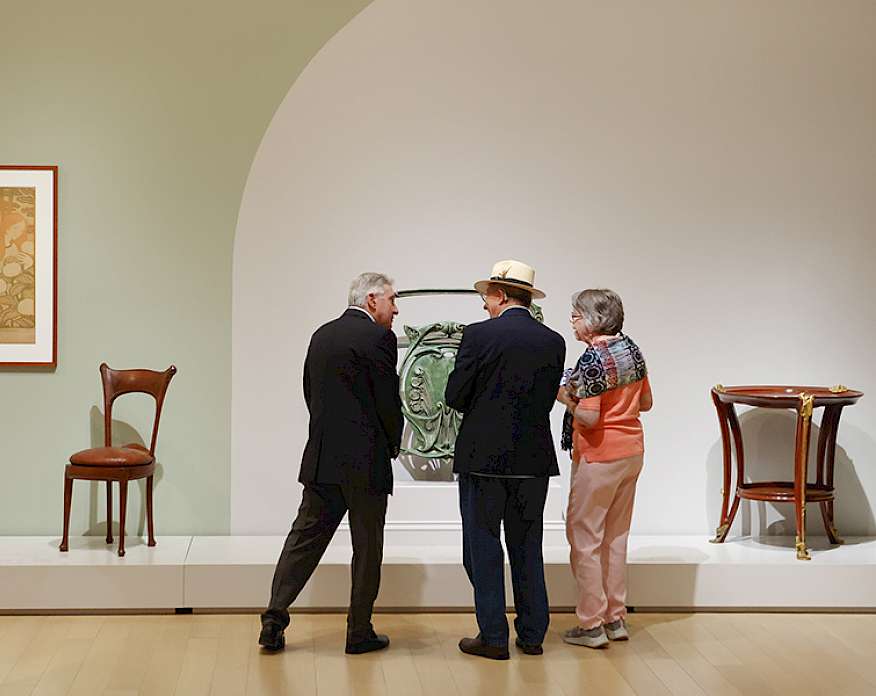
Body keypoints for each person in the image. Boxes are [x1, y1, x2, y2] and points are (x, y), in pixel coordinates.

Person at [259, 272, 403, 654]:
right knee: (367, 547)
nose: (396, 308)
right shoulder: (380, 339)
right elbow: (388, 401)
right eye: (392, 299)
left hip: (323, 458)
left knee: (304, 540)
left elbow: (310, 391)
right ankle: (359, 632)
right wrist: (391, 444)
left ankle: (274, 618)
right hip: (366, 461)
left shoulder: (321, 334)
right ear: (372, 299)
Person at [445, 259, 566, 660]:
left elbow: (455, 395)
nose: (484, 305)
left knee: (482, 545)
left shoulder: (478, 336)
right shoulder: (553, 341)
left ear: (499, 294)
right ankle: (532, 634)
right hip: (533, 459)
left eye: (486, 297)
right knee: (527, 545)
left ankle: (493, 635)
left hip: (483, 457)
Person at [557, 288, 652, 648]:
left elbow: (588, 417)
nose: (572, 320)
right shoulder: (632, 350)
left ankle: (591, 624)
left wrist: (564, 396)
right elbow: (646, 402)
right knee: (615, 538)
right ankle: (615, 618)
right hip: (631, 452)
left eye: (577, 314)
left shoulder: (594, 360)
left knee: (585, 540)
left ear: (595, 321)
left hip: (599, 455)